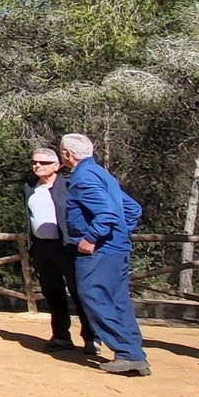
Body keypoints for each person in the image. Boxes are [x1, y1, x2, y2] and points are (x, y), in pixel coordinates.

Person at [59, 133, 150, 375]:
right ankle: (131, 351)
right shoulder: (101, 174)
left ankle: (128, 352)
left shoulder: (83, 178)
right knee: (118, 300)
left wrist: (91, 238)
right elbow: (132, 208)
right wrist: (121, 232)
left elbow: (107, 213)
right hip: (115, 248)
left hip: (99, 251)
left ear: (67, 155)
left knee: (92, 295)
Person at [24, 146, 95, 354]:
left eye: (44, 163)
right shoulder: (30, 187)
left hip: (67, 247)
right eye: (35, 162)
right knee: (52, 293)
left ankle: (91, 337)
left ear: (57, 166)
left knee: (79, 291)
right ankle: (61, 336)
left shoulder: (69, 185)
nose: (38, 166)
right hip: (41, 247)